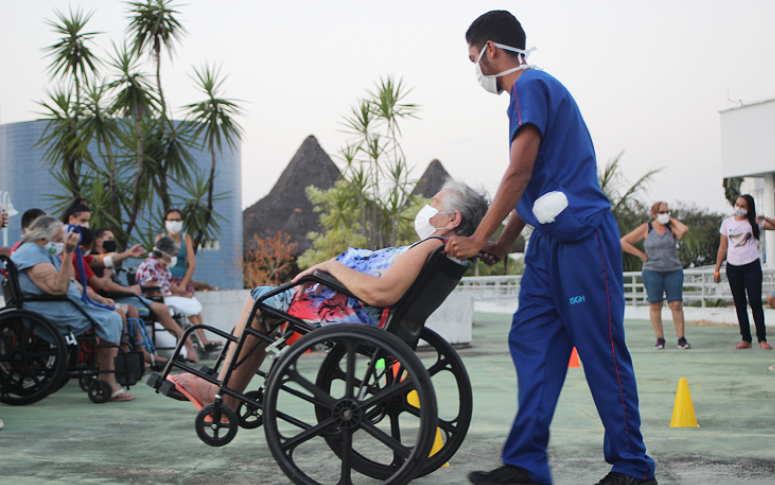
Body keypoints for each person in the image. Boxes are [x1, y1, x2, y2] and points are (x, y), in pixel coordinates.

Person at [444, 11, 656, 485]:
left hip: (583, 239)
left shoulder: (531, 88)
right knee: (533, 344)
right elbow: (533, 184)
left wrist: (478, 238)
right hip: (547, 247)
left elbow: (518, 173)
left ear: (490, 50)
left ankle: (633, 468)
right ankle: (525, 464)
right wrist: (501, 242)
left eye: (472, 57)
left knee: (600, 348)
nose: (474, 68)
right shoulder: (524, 98)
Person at [166, 181, 488, 414]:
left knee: (261, 300)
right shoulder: (439, 252)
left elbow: (381, 292)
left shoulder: (429, 247)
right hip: (364, 312)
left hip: (357, 313)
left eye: (434, 203)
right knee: (268, 303)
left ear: (452, 219)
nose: (426, 208)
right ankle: (227, 393)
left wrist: (330, 267)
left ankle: (222, 393)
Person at [10, 216, 135, 401]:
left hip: (62, 304)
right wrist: (68, 253)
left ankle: (108, 375)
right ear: (43, 238)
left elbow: (70, 282)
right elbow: (58, 288)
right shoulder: (31, 254)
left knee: (115, 312)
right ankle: (108, 379)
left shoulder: (43, 251)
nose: (62, 243)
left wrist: (98, 297)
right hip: (49, 308)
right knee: (113, 318)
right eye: (59, 239)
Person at [74, 228, 195, 366]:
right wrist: (127, 289)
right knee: (144, 310)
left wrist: (128, 254)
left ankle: (139, 353)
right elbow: (104, 285)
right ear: (95, 243)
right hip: (106, 298)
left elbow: (106, 260)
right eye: (109, 239)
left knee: (132, 310)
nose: (112, 242)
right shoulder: (80, 259)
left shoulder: (89, 258)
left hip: (115, 296)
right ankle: (126, 356)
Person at [621, 202, 691, 349]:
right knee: (655, 304)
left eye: (667, 211)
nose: (665, 214)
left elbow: (684, 230)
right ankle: (660, 339)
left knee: (676, 304)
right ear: (654, 214)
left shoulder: (671, 229)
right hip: (652, 270)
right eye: (662, 212)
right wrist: (641, 255)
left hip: (673, 270)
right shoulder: (647, 228)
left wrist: (671, 220)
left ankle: (681, 339)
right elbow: (623, 242)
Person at [136, 237, 213, 362]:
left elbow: (174, 288)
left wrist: (185, 293)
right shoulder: (149, 265)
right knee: (190, 306)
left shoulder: (165, 268)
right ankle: (196, 343)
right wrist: (173, 296)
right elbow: (151, 290)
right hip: (156, 301)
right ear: (165, 252)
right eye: (173, 254)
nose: (174, 258)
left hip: (167, 298)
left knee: (191, 301)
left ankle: (201, 340)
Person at [156, 209, 222, 351]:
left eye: (178, 220)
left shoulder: (186, 238)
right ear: (165, 222)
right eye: (171, 220)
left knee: (193, 308)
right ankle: (196, 343)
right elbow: (158, 263)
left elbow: (192, 264)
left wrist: (183, 285)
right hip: (167, 283)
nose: (174, 223)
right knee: (187, 309)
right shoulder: (160, 238)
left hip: (182, 280)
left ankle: (203, 341)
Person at [714, 195, 774, 350]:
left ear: (749, 209)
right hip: (733, 268)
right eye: (737, 204)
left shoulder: (754, 222)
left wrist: (765, 217)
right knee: (739, 303)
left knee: (755, 302)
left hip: (751, 266)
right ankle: (746, 339)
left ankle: (762, 338)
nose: (739, 208)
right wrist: (717, 269)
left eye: (743, 206)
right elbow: (722, 248)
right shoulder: (727, 223)